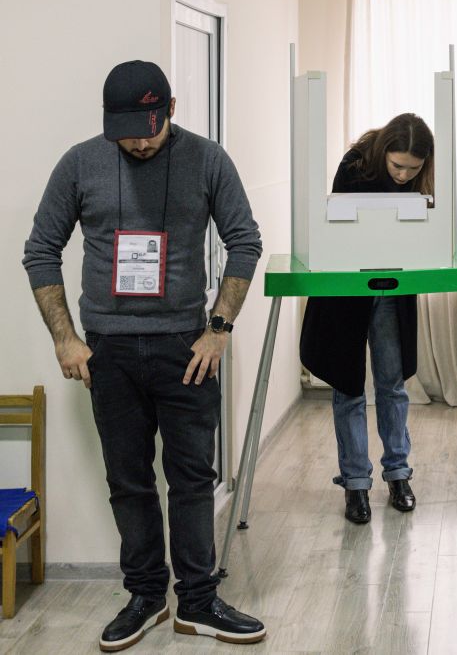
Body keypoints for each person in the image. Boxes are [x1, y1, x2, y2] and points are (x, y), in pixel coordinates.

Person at [22, 61, 266, 650]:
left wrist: (219, 328)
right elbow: (40, 251)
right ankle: (146, 596)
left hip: (186, 348)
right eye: (124, 131)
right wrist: (65, 336)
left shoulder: (208, 160)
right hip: (107, 350)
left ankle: (199, 602)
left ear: (171, 111)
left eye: (147, 129)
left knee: (190, 478)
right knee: (128, 479)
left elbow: (245, 241)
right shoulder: (80, 163)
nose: (136, 141)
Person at [300, 113, 431, 525]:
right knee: (349, 387)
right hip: (350, 292)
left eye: (413, 169)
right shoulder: (355, 164)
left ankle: (398, 474)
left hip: (392, 288)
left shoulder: (420, 181)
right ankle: (356, 483)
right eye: (397, 166)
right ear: (383, 153)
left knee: (392, 385)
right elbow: (339, 231)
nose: (404, 175)